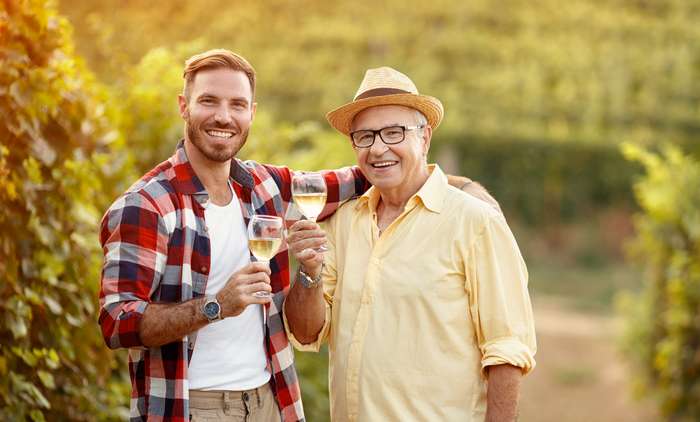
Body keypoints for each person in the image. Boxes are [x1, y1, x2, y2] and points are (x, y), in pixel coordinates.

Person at [98, 50, 496, 422]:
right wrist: (216, 306)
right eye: (208, 101)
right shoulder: (146, 205)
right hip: (192, 405)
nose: (224, 116)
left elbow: (366, 174)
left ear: (251, 113)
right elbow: (117, 322)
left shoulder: (263, 186)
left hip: (271, 399)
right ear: (184, 106)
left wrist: (456, 188)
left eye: (237, 105)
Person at [284, 67, 537, 421]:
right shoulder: (340, 223)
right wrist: (308, 274)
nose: (378, 148)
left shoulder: (476, 222)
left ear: (425, 138)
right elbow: (306, 331)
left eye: (393, 132)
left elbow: (507, 350)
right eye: (365, 136)